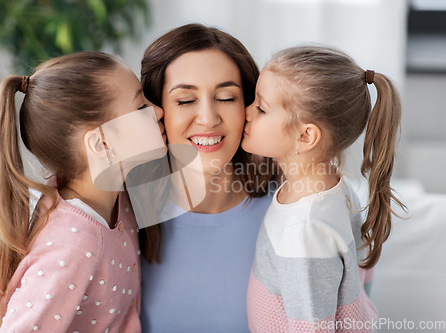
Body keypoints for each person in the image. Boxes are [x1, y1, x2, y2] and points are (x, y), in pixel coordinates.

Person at [0, 52, 165, 333]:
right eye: (141, 107)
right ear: (101, 143)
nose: (159, 110)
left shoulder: (113, 194)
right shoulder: (72, 245)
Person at [242, 45, 406, 332]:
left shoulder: (304, 229)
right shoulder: (337, 187)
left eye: (260, 107)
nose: (245, 112)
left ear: (306, 136)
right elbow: (362, 270)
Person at [138, 23, 277, 332]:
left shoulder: (293, 207)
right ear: (156, 110)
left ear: (250, 107)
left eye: (227, 98)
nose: (208, 118)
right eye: (185, 100)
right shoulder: (120, 212)